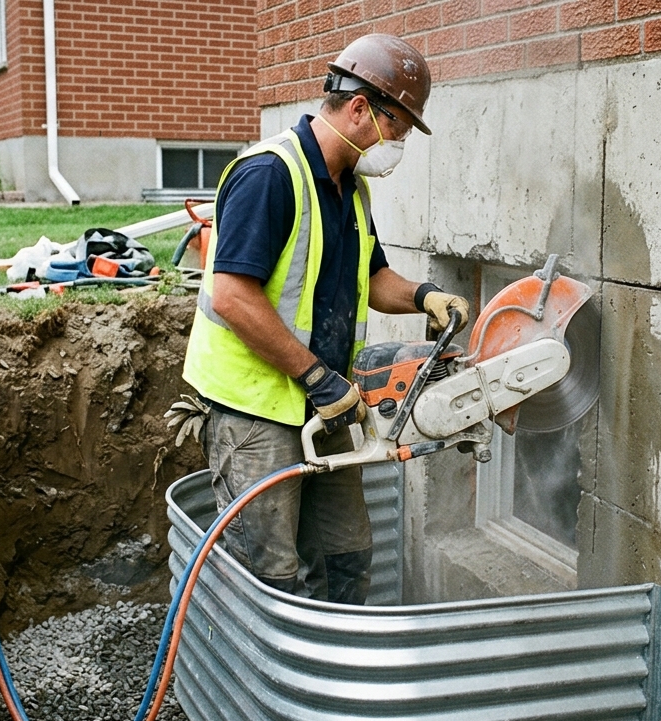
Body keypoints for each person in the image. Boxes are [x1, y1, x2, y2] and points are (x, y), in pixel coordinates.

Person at [177, 34, 469, 605]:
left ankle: (334, 686)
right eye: (399, 129)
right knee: (269, 575)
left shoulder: (349, 187)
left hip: (326, 404)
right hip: (256, 410)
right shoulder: (270, 174)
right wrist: (316, 377)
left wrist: (426, 296)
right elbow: (234, 296)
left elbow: (373, 277)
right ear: (360, 108)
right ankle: (267, 691)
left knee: (345, 561)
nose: (399, 144)